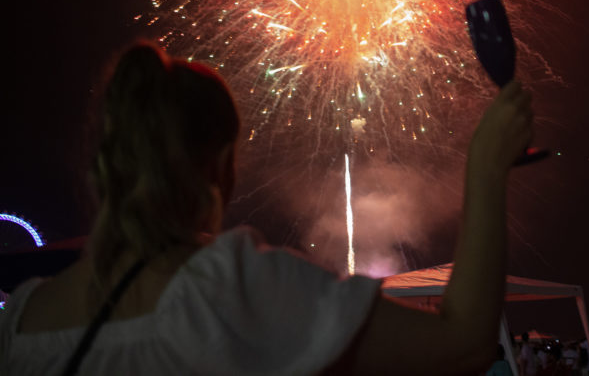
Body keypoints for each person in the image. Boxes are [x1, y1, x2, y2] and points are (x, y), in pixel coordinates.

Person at [0, 42, 538, 375]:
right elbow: (463, 344)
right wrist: (486, 169)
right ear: (218, 165)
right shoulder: (231, 284)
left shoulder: (24, 318)